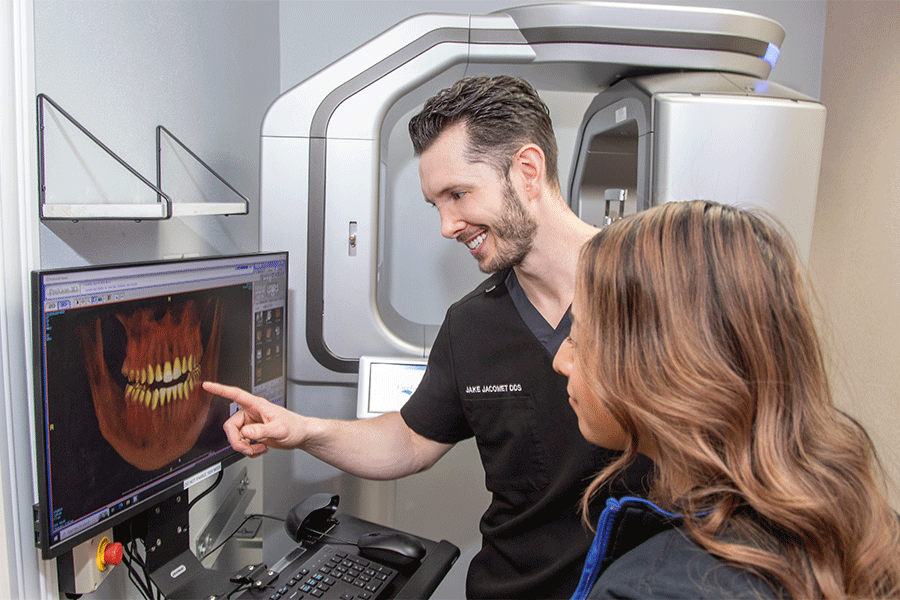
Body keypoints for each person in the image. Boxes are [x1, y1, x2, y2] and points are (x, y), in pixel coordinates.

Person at [203, 75, 651, 599]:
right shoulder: (472, 326)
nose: (447, 225)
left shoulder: (654, 287)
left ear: (527, 170)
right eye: (435, 203)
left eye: (458, 194)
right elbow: (411, 438)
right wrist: (303, 430)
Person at [552, 199, 900, 599]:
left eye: (579, 336)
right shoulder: (868, 528)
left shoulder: (646, 590)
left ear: (659, 364)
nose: (562, 360)